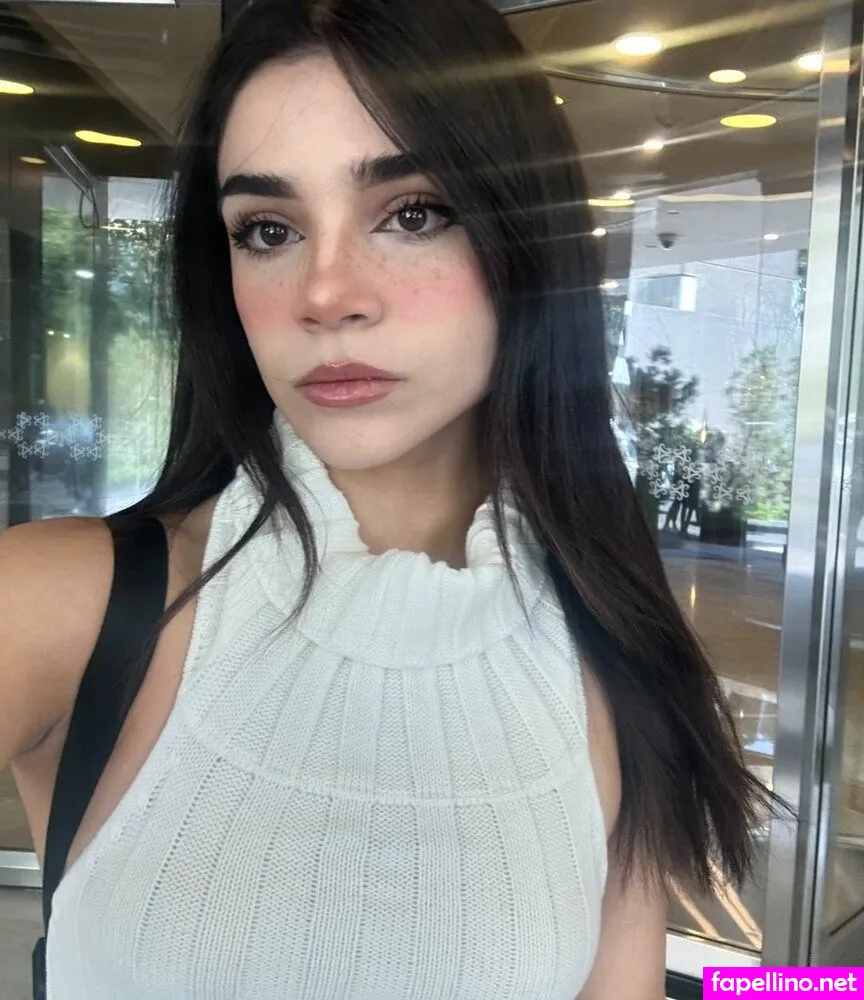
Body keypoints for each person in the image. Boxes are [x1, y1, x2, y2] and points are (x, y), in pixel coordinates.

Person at [1, 0, 776, 997]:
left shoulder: (604, 648)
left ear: (522, 241)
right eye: (268, 230)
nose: (326, 294)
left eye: (413, 213)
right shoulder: (63, 604)